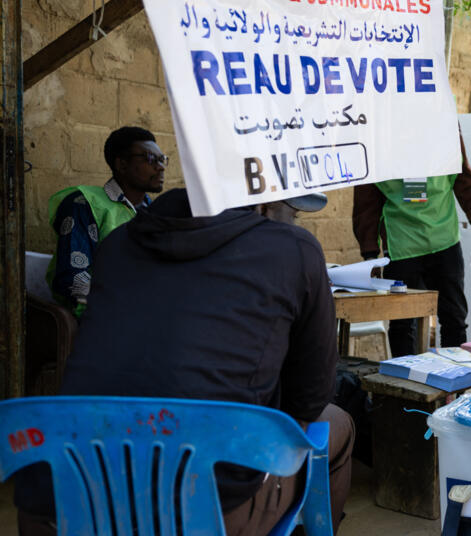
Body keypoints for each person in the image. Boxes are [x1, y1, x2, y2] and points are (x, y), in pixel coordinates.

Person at [16, 189, 354, 536]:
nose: (294, 222)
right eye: (293, 213)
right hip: (203, 508)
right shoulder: (294, 248)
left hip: (66, 498)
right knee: (337, 423)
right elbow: (310, 399)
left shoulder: (117, 244)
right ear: (263, 205)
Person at [352, 133, 471, 356]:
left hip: (444, 241)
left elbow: (463, 178)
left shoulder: (444, 119)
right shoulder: (381, 127)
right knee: (403, 323)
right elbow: (367, 198)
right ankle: (406, 386)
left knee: (454, 320)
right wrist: (370, 253)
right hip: (402, 245)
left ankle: (454, 386)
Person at [46, 126, 166, 317]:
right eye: (150, 159)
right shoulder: (84, 203)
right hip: (105, 317)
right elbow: (73, 279)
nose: (160, 167)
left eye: (162, 159)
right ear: (122, 164)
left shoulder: (158, 214)